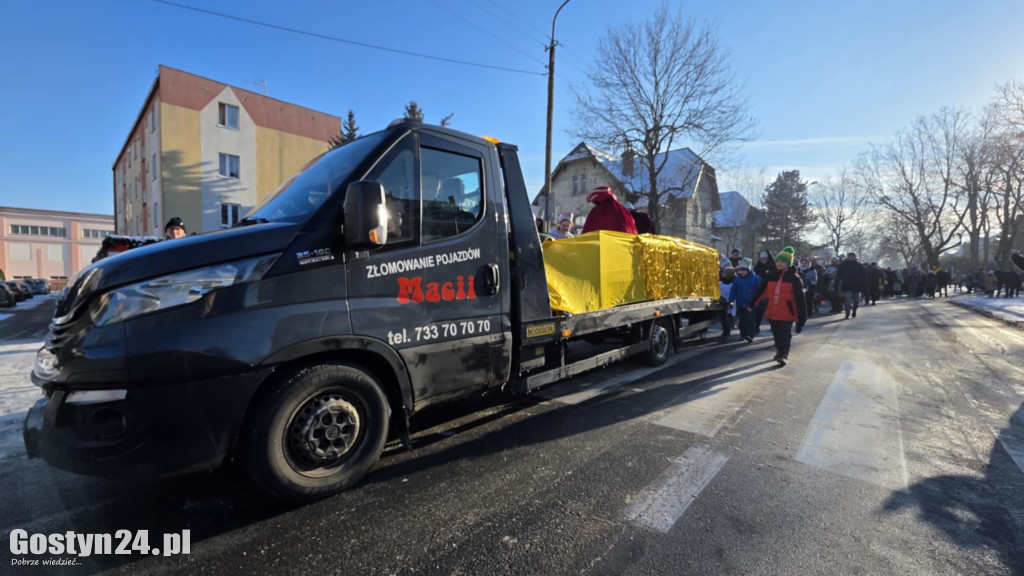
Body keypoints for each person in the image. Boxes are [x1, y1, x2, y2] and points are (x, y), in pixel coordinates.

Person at [750, 246, 806, 366]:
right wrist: (752, 303)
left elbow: (800, 300)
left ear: (788, 263)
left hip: (787, 312)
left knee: (785, 334)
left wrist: (801, 320)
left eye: (782, 262)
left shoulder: (794, 278)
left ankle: (783, 354)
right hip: (773, 310)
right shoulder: (771, 275)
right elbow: (761, 290)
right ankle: (779, 350)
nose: (779, 264)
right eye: (778, 261)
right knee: (776, 333)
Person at [732, 258, 762, 343]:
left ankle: (750, 335)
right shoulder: (737, 279)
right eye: (741, 269)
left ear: (749, 270)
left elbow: (761, 290)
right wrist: (730, 300)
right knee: (741, 320)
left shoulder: (756, 279)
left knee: (750, 319)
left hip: (751, 304)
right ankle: (743, 334)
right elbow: (733, 290)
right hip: (740, 303)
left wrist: (762, 301)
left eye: (745, 270)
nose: (742, 272)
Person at [836, 251, 867, 319]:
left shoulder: (860, 265)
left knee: (856, 300)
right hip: (847, 285)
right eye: (850, 256)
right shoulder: (843, 265)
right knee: (847, 300)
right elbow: (838, 275)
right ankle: (847, 313)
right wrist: (837, 283)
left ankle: (854, 310)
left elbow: (863, 276)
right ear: (848, 257)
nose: (851, 258)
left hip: (857, 285)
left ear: (855, 257)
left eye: (853, 256)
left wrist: (864, 286)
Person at [752, 249, 774, 333]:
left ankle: (773, 326)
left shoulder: (773, 266)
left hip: (770, 290)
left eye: (765, 258)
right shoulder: (757, 266)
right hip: (760, 291)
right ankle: (756, 326)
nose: (763, 260)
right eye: (762, 258)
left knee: (770, 309)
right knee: (759, 310)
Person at [718, 264, 736, 343]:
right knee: (723, 318)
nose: (722, 274)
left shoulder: (733, 284)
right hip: (722, 302)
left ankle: (727, 332)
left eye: (724, 273)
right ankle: (725, 330)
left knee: (728, 317)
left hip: (730, 302)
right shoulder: (720, 283)